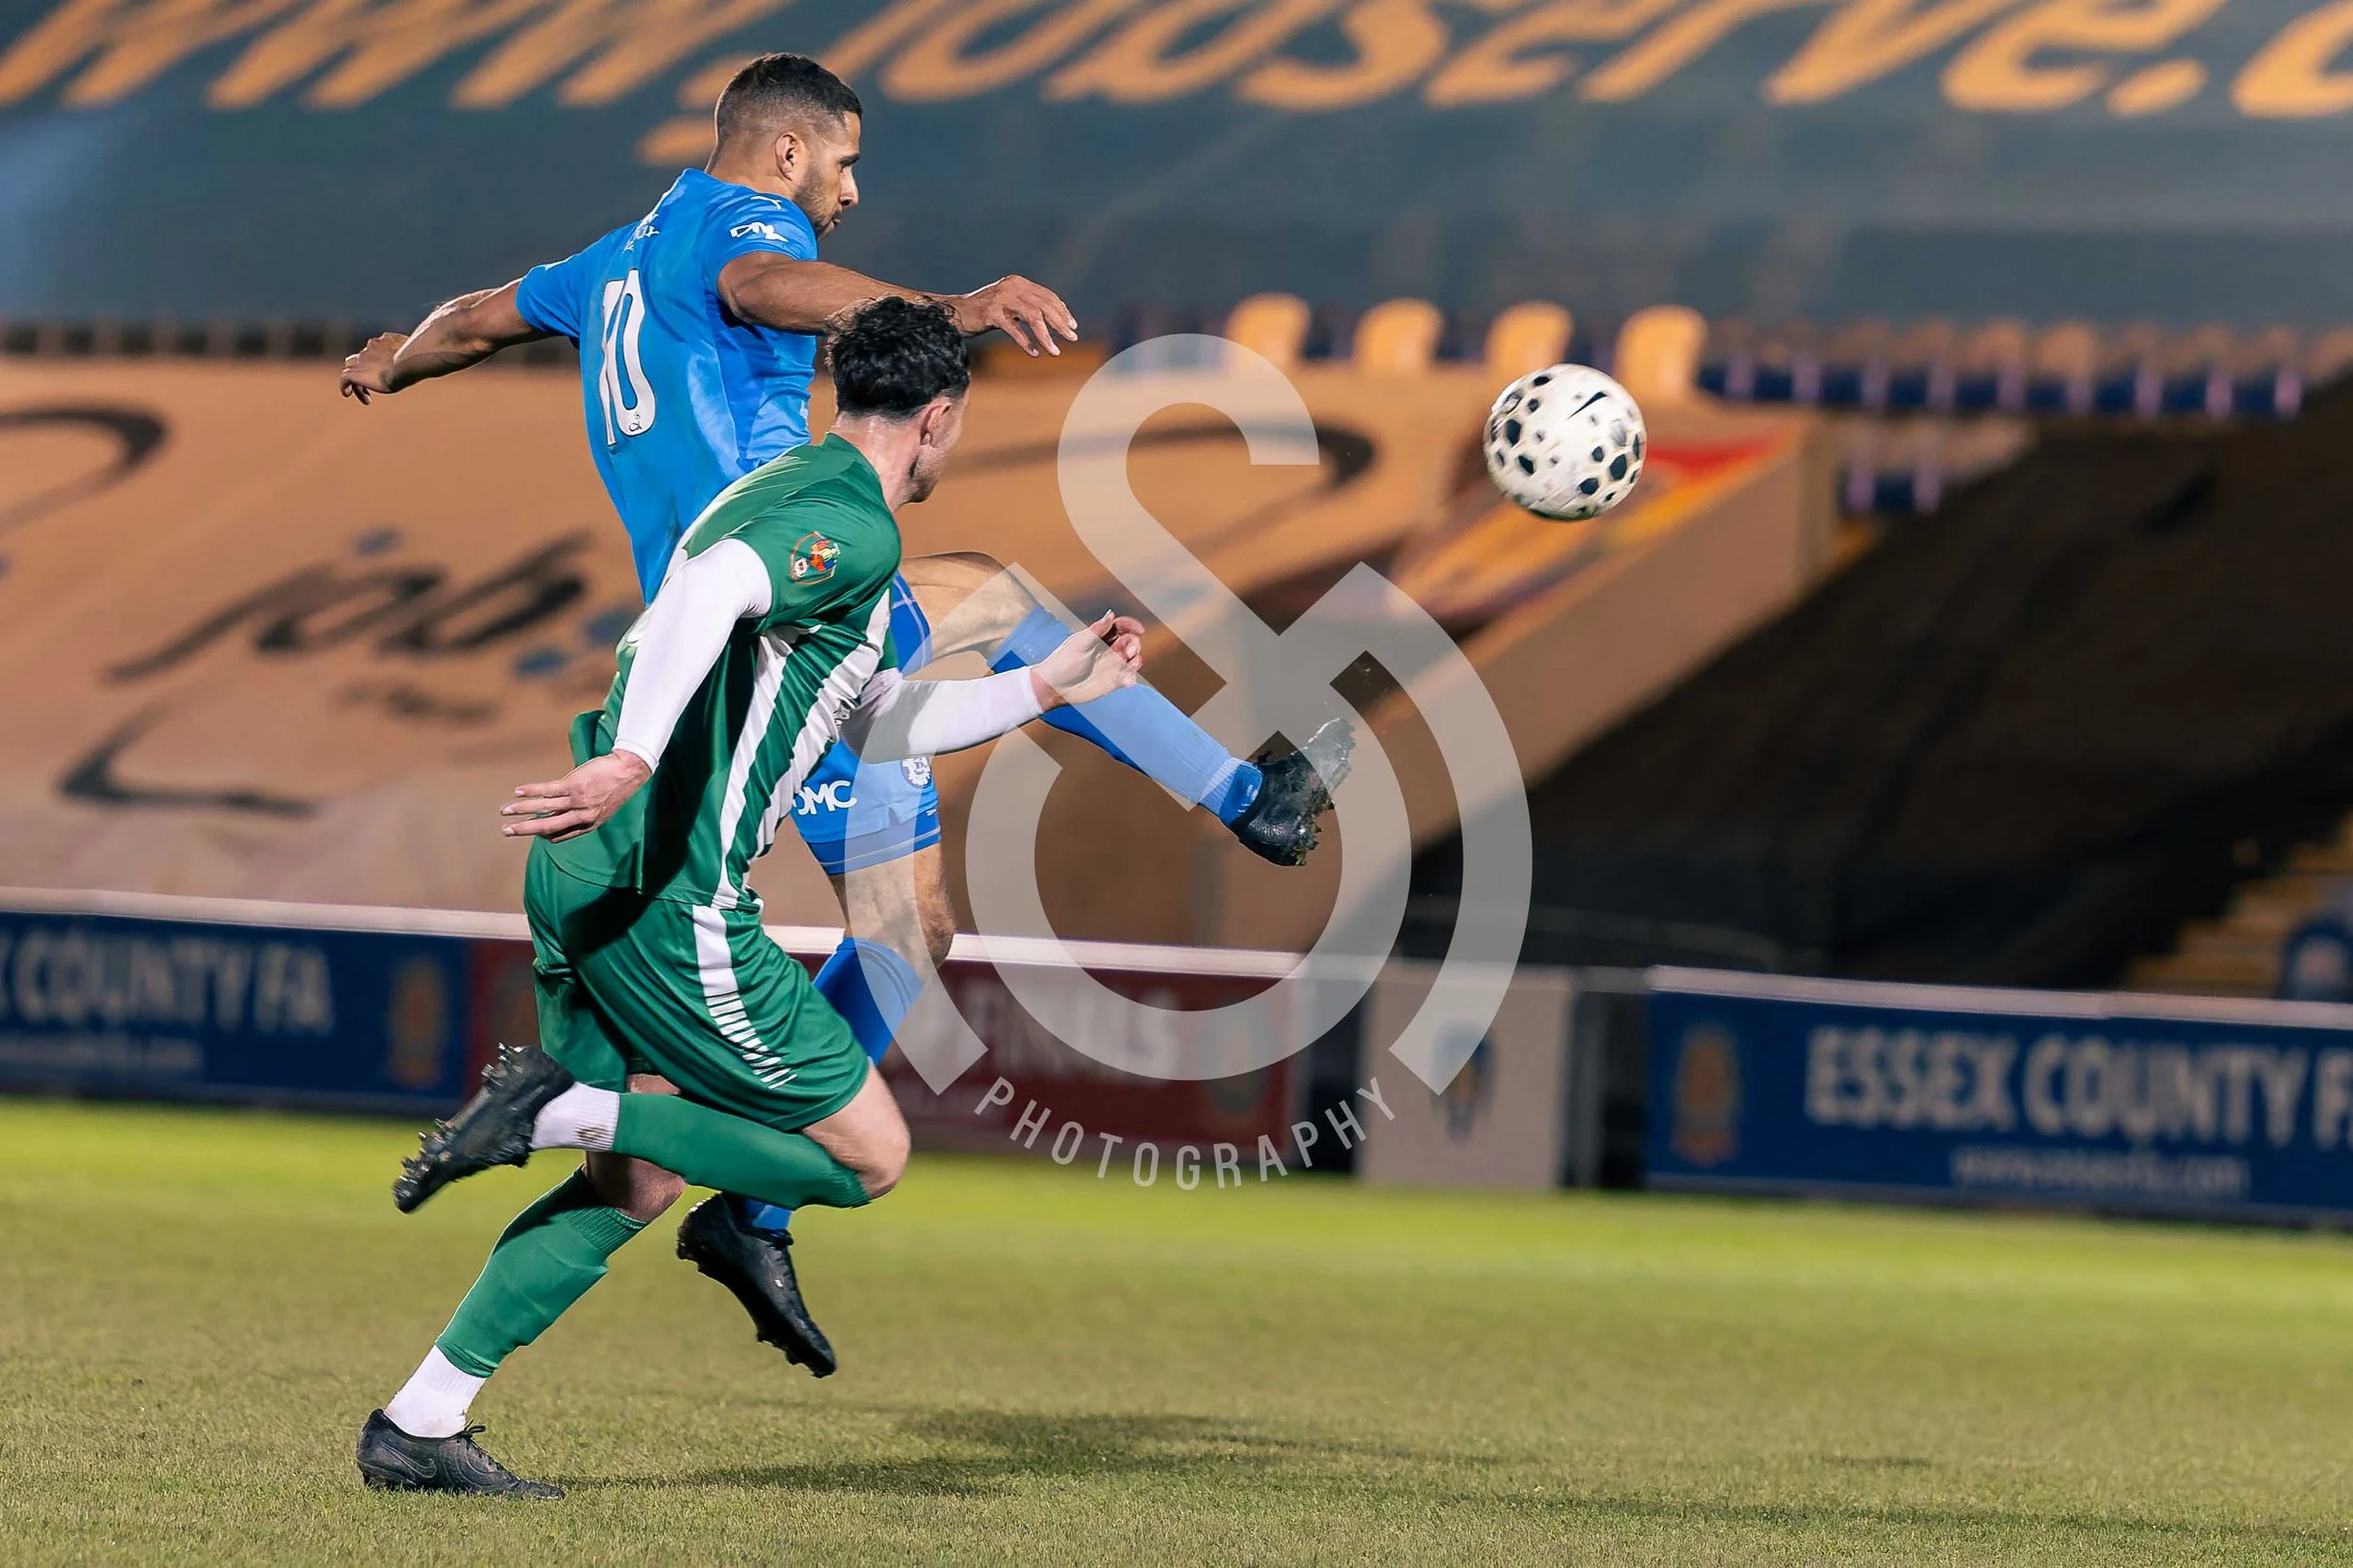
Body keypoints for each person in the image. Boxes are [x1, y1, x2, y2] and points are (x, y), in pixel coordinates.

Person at [339, 51, 1349, 1378]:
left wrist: (397, 359)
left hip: (723, 645)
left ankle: (442, 1400)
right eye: (844, 163)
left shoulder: (607, 265)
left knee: (895, 934)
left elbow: (476, 318)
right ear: (784, 154)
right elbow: (768, 285)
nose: (851, 191)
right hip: (792, 617)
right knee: (977, 638)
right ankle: (1243, 799)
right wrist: (948, 309)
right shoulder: (742, 233)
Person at [359, 298, 1140, 1498]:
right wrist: (634, 756)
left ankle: (420, 1423)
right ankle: (561, 1107)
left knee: (639, 1180)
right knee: (863, 1158)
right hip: (671, 894)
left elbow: (871, 713)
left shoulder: (781, 491)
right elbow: (711, 591)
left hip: (585, 871)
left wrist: (1043, 685)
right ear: (938, 419)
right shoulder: (852, 528)